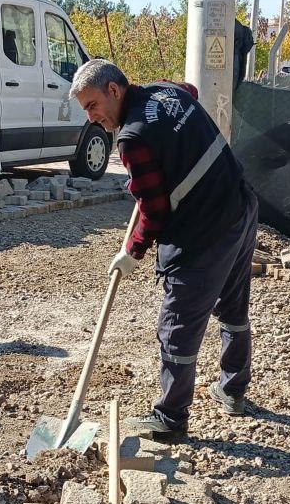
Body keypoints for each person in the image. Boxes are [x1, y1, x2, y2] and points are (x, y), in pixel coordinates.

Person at [70, 59, 259, 437]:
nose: (91, 118)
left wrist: (133, 252)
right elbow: (188, 90)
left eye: (92, 106)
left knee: (176, 327)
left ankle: (171, 418)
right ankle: (233, 391)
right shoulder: (164, 91)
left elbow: (154, 209)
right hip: (240, 206)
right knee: (233, 306)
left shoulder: (132, 139)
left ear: (114, 90)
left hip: (204, 231)